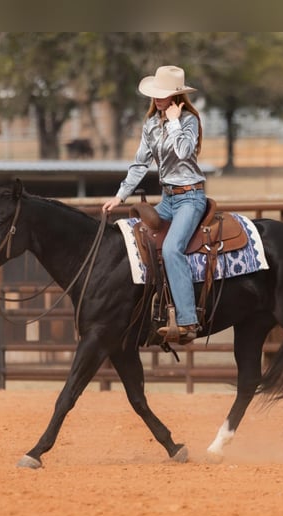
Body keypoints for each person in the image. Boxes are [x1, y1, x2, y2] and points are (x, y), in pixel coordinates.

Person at [103, 65, 207, 343]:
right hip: (169, 199)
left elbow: (185, 153)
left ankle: (187, 321)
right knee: (131, 235)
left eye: (163, 95)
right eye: (155, 94)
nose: (158, 99)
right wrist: (120, 195)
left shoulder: (188, 121)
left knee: (173, 249)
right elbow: (140, 164)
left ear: (176, 96)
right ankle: (138, 311)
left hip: (190, 197)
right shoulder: (150, 125)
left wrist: (174, 122)